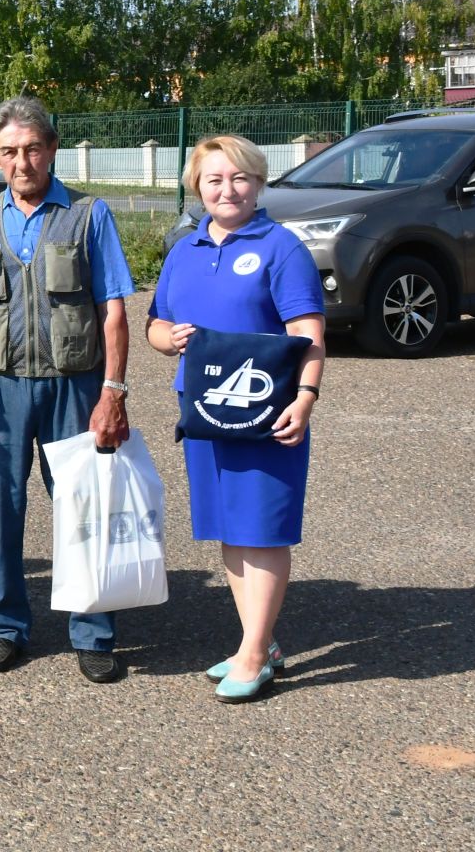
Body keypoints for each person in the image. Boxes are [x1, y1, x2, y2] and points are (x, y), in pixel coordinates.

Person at [0, 95, 136, 684]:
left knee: (82, 508)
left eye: (32, 149)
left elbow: (114, 312)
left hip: (73, 387)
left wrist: (113, 391)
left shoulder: (89, 214)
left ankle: (93, 631)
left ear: (51, 150)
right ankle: (4, 627)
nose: (21, 161)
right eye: (9, 151)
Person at [146, 136, 324, 703]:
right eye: (214, 180)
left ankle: (254, 652)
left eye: (239, 178)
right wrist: (165, 338)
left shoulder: (281, 247)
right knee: (228, 527)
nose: (228, 189)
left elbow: (310, 335)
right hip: (203, 413)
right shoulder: (184, 249)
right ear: (196, 186)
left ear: (258, 182)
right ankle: (258, 640)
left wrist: (305, 398)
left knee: (263, 529)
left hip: (267, 413)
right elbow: (156, 323)